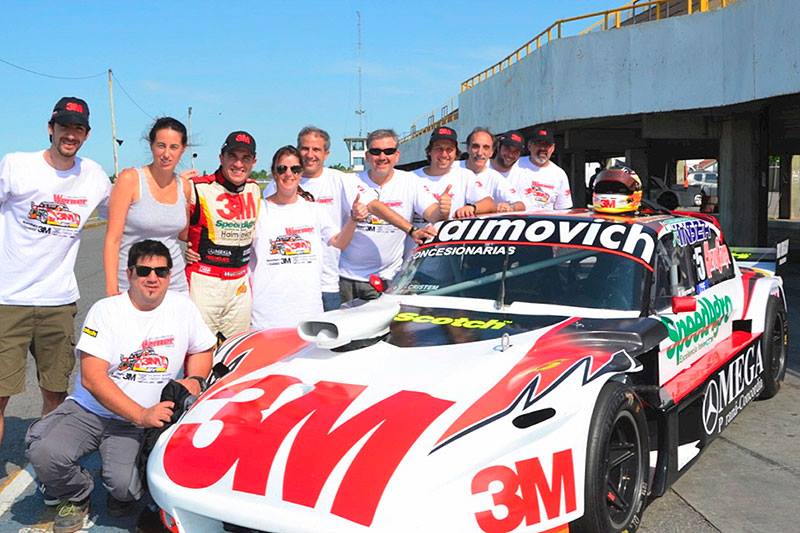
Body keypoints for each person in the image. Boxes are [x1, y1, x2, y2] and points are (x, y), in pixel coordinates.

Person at [25, 239, 215, 533]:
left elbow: (202, 348)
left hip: (137, 424)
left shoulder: (183, 307)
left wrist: (195, 379)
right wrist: (140, 414)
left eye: (161, 272)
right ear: (129, 274)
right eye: (144, 271)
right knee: (44, 452)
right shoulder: (106, 310)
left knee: (125, 489)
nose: (153, 278)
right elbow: (92, 378)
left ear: (169, 275)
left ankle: (118, 484)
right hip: (92, 412)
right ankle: (75, 493)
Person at [0, 97, 111, 446]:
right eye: (64, 126)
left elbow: (126, 213)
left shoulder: (94, 176)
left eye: (78, 128)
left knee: (55, 394)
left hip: (58, 303)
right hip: (8, 301)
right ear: (51, 128)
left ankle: (46, 467)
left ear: (86, 134)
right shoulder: (16, 165)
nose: (70, 134)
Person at [264, 126, 432, 311]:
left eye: (316, 149)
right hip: (288, 282)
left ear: (326, 154)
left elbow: (373, 205)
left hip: (329, 281)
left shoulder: (341, 180)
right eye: (305, 148)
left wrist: (411, 230)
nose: (310, 155)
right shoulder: (277, 185)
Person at [250, 146, 359, 328]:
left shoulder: (315, 210)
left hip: (308, 312)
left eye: (295, 169)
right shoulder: (257, 210)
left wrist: (353, 219)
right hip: (265, 315)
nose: (288, 174)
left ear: (301, 173)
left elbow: (340, 243)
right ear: (274, 173)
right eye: (282, 169)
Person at [338, 129, 442, 302]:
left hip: (388, 278)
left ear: (397, 155)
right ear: (367, 156)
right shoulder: (350, 181)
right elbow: (374, 206)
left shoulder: (410, 181)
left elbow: (433, 214)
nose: (382, 157)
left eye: (388, 151)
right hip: (346, 278)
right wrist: (412, 230)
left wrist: (443, 209)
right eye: (375, 151)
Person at [185, 131, 262, 342]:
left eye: (245, 158)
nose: (238, 164)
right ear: (221, 157)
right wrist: (183, 249)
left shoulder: (254, 189)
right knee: (199, 348)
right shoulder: (197, 187)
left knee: (236, 348)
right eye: (232, 156)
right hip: (205, 282)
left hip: (240, 284)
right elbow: (165, 225)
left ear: (254, 161)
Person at [103, 117, 191, 296]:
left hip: (174, 285)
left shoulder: (184, 186)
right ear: (151, 146)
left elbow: (184, 234)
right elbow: (113, 239)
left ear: (183, 150)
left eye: (174, 147)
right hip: (134, 283)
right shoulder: (130, 180)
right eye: (161, 145)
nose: (166, 154)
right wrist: (112, 290)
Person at [413, 126, 495, 220]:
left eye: (449, 149)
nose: (444, 154)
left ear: (456, 153)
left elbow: (489, 203)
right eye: (439, 148)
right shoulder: (411, 178)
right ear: (429, 151)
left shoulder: (465, 176)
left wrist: (472, 208)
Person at [461, 127, 524, 213]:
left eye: (486, 147)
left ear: (491, 152)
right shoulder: (453, 168)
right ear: (467, 148)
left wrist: (510, 207)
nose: (480, 153)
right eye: (475, 146)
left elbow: (520, 205)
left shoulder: (496, 177)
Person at [512, 128, 573, 211]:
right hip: (517, 218)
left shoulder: (559, 174)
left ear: (553, 148)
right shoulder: (514, 165)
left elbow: (563, 209)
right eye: (539, 144)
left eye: (547, 145)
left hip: (545, 219)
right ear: (529, 145)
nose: (543, 148)